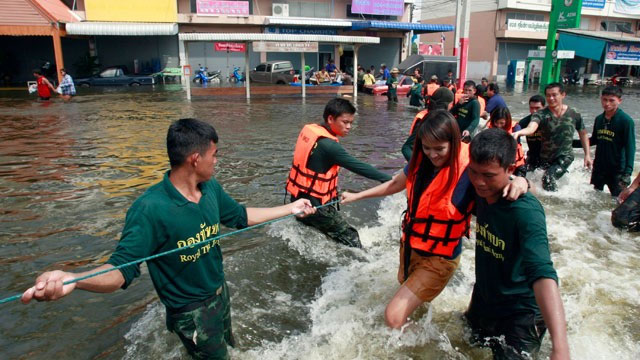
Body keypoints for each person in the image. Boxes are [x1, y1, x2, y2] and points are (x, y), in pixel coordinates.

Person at [20, 118, 316, 359]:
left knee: (227, 347)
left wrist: (291, 207)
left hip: (219, 293)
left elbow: (240, 216)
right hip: (190, 312)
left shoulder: (210, 188)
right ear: (195, 158)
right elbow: (121, 271)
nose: (217, 161)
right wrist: (73, 279)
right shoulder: (149, 209)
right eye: (214, 155)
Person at [341, 110, 528, 330]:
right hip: (412, 248)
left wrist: (523, 183)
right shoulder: (421, 161)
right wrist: (356, 196)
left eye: (439, 149)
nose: (432, 154)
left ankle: (426, 346)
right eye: (427, 148)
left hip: (440, 258)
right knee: (409, 303)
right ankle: (422, 337)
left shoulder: (470, 169)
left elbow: (501, 179)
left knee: (393, 317)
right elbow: (394, 184)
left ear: (455, 142)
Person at [465, 128, 569, 360]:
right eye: (474, 172)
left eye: (489, 175)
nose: (479, 182)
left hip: (522, 313)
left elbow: (542, 274)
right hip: (485, 297)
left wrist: (560, 347)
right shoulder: (478, 186)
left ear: (510, 169)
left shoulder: (526, 212)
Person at [286, 99, 391, 248]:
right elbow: (359, 166)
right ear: (330, 119)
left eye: (351, 123)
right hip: (315, 206)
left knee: (313, 235)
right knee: (351, 238)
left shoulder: (311, 131)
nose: (349, 127)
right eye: (345, 122)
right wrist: (392, 181)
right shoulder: (329, 146)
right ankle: (364, 266)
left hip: (297, 199)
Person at [513, 82, 592, 192]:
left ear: (563, 95)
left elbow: (583, 134)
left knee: (548, 178)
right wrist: (519, 133)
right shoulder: (541, 114)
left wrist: (587, 155)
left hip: (565, 155)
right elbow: (532, 127)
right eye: (548, 95)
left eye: (554, 95)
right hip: (545, 157)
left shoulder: (574, 114)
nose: (551, 98)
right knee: (533, 177)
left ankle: (554, 205)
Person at [590, 86, 636, 196]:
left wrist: (628, 173)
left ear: (619, 101)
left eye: (611, 100)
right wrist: (568, 142)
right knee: (594, 199)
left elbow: (630, 147)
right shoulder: (599, 119)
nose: (607, 103)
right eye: (605, 99)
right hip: (599, 168)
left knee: (617, 201)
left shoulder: (626, 121)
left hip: (617, 170)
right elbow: (593, 140)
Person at [401, 87, 454, 161]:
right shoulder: (427, 119)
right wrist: (417, 167)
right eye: (452, 103)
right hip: (422, 162)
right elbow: (407, 147)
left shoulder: (441, 117)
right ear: (449, 104)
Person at [487, 107, 526, 177]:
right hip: (499, 165)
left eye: (502, 123)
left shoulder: (515, 128)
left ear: (507, 121)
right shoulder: (491, 128)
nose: (499, 126)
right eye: (496, 122)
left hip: (517, 165)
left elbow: (513, 149)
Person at [518, 94, 546, 171]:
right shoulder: (524, 122)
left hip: (549, 158)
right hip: (532, 156)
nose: (534, 111)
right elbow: (515, 140)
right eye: (532, 108)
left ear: (544, 108)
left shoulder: (550, 121)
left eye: (537, 108)